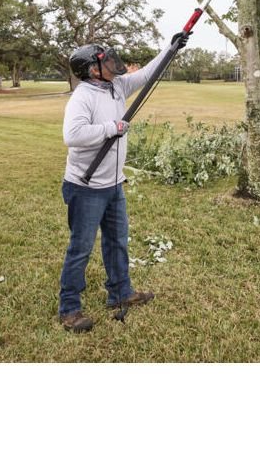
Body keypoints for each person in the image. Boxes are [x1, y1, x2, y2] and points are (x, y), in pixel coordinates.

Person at [58, 33, 190, 331]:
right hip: (86, 187)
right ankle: (69, 308)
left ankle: (120, 292)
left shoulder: (117, 85)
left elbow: (146, 74)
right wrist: (112, 128)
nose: (112, 63)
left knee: (117, 241)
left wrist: (171, 48)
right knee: (81, 248)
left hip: (114, 184)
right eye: (104, 60)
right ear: (92, 70)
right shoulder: (82, 97)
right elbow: (72, 136)